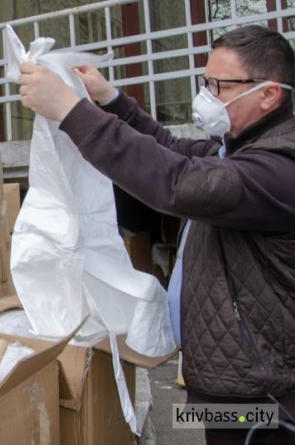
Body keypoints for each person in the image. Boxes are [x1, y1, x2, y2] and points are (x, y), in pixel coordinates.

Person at [18, 25, 295, 445]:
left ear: (269, 94)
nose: (207, 95)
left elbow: (177, 182)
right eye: (206, 82)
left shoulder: (277, 169)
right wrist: (108, 100)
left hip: (263, 402)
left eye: (219, 85)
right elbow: (170, 148)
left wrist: (71, 111)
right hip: (228, 384)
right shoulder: (234, 149)